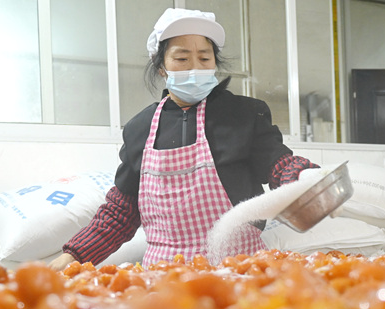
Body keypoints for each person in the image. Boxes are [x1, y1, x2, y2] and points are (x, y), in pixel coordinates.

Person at [49, 8, 318, 270]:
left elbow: (277, 163)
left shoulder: (244, 114)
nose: (195, 68)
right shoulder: (140, 129)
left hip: (240, 271)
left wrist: (302, 176)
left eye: (204, 58)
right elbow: (120, 214)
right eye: (181, 59)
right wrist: (71, 257)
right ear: (161, 68)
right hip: (164, 278)